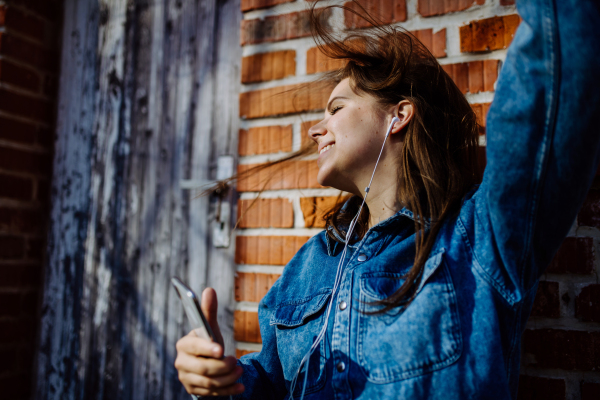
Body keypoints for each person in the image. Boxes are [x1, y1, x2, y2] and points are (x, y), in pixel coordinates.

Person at [174, 0, 600, 398]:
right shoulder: (309, 265)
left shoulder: (480, 238)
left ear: (398, 115)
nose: (314, 131)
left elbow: (557, 57)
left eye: (336, 109)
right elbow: (268, 380)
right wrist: (220, 380)